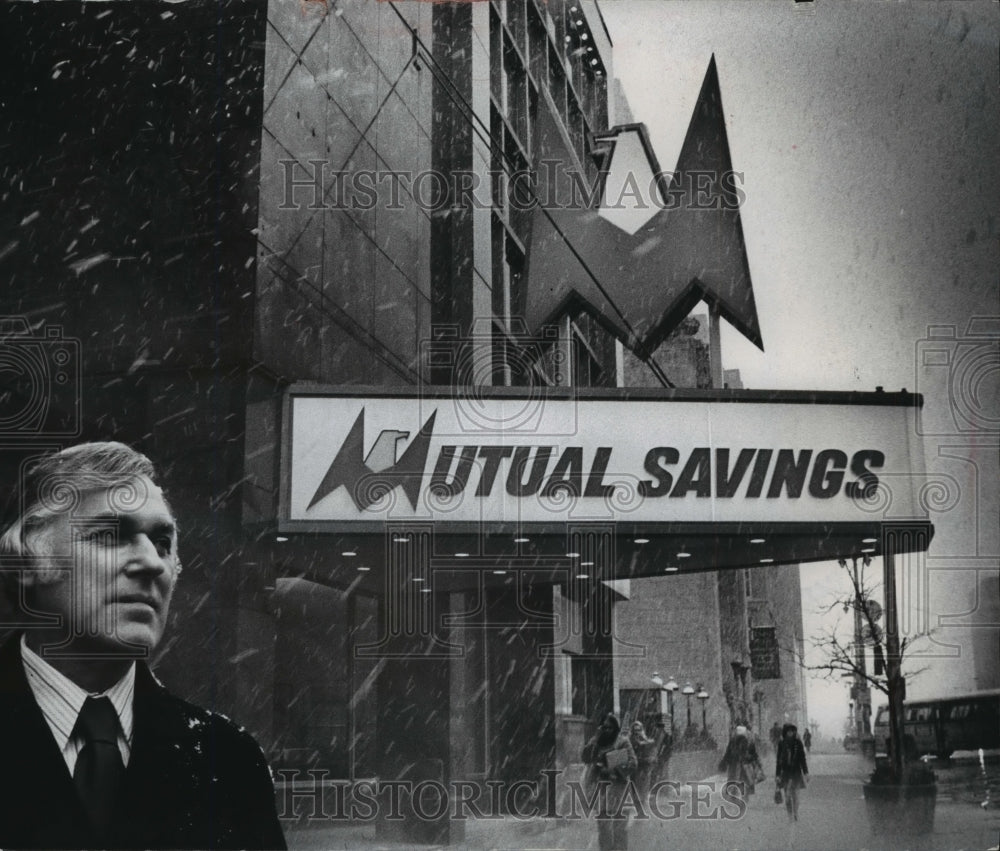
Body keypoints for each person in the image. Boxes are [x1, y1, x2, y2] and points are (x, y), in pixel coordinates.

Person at [0, 442, 286, 850]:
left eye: (163, 543)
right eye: (109, 535)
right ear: (26, 563)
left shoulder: (229, 759)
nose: (152, 562)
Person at [582, 713, 637, 851]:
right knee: (604, 830)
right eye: (604, 727)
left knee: (619, 830)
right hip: (601, 791)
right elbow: (585, 757)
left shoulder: (622, 741)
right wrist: (595, 738)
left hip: (619, 789)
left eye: (610, 728)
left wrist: (610, 763)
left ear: (615, 729)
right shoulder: (597, 742)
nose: (607, 731)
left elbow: (632, 763)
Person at [718, 724, 764, 800]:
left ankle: (738, 796)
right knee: (742, 782)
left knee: (738, 782)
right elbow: (754, 754)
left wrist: (724, 762)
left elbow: (728, 753)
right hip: (741, 766)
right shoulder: (741, 742)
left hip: (740, 766)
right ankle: (739, 796)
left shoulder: (737, 742)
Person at [775, 723, 809, 822]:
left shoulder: (798, 743)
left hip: (796, 773)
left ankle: (795, 812)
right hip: (785, 774)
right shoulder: (781, 744)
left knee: (796, 796)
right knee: (788, 796)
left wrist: (806, 772)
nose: (790, 733)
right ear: (785, 733)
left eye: (792, 731)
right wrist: (777, 775)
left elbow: (803, 759)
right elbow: (778, 761)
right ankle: (790, 814)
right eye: (788, 731)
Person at [628, 720, 656, 798]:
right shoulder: (631, 739)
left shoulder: (643, 737)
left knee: (645, 782)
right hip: (635, 764)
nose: (637, 732)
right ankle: (636, 797)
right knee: (634, 782)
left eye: (638, 730)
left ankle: (644, 796)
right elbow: (638, 744)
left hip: (644, 764)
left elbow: (648, 745)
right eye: (635, 730)